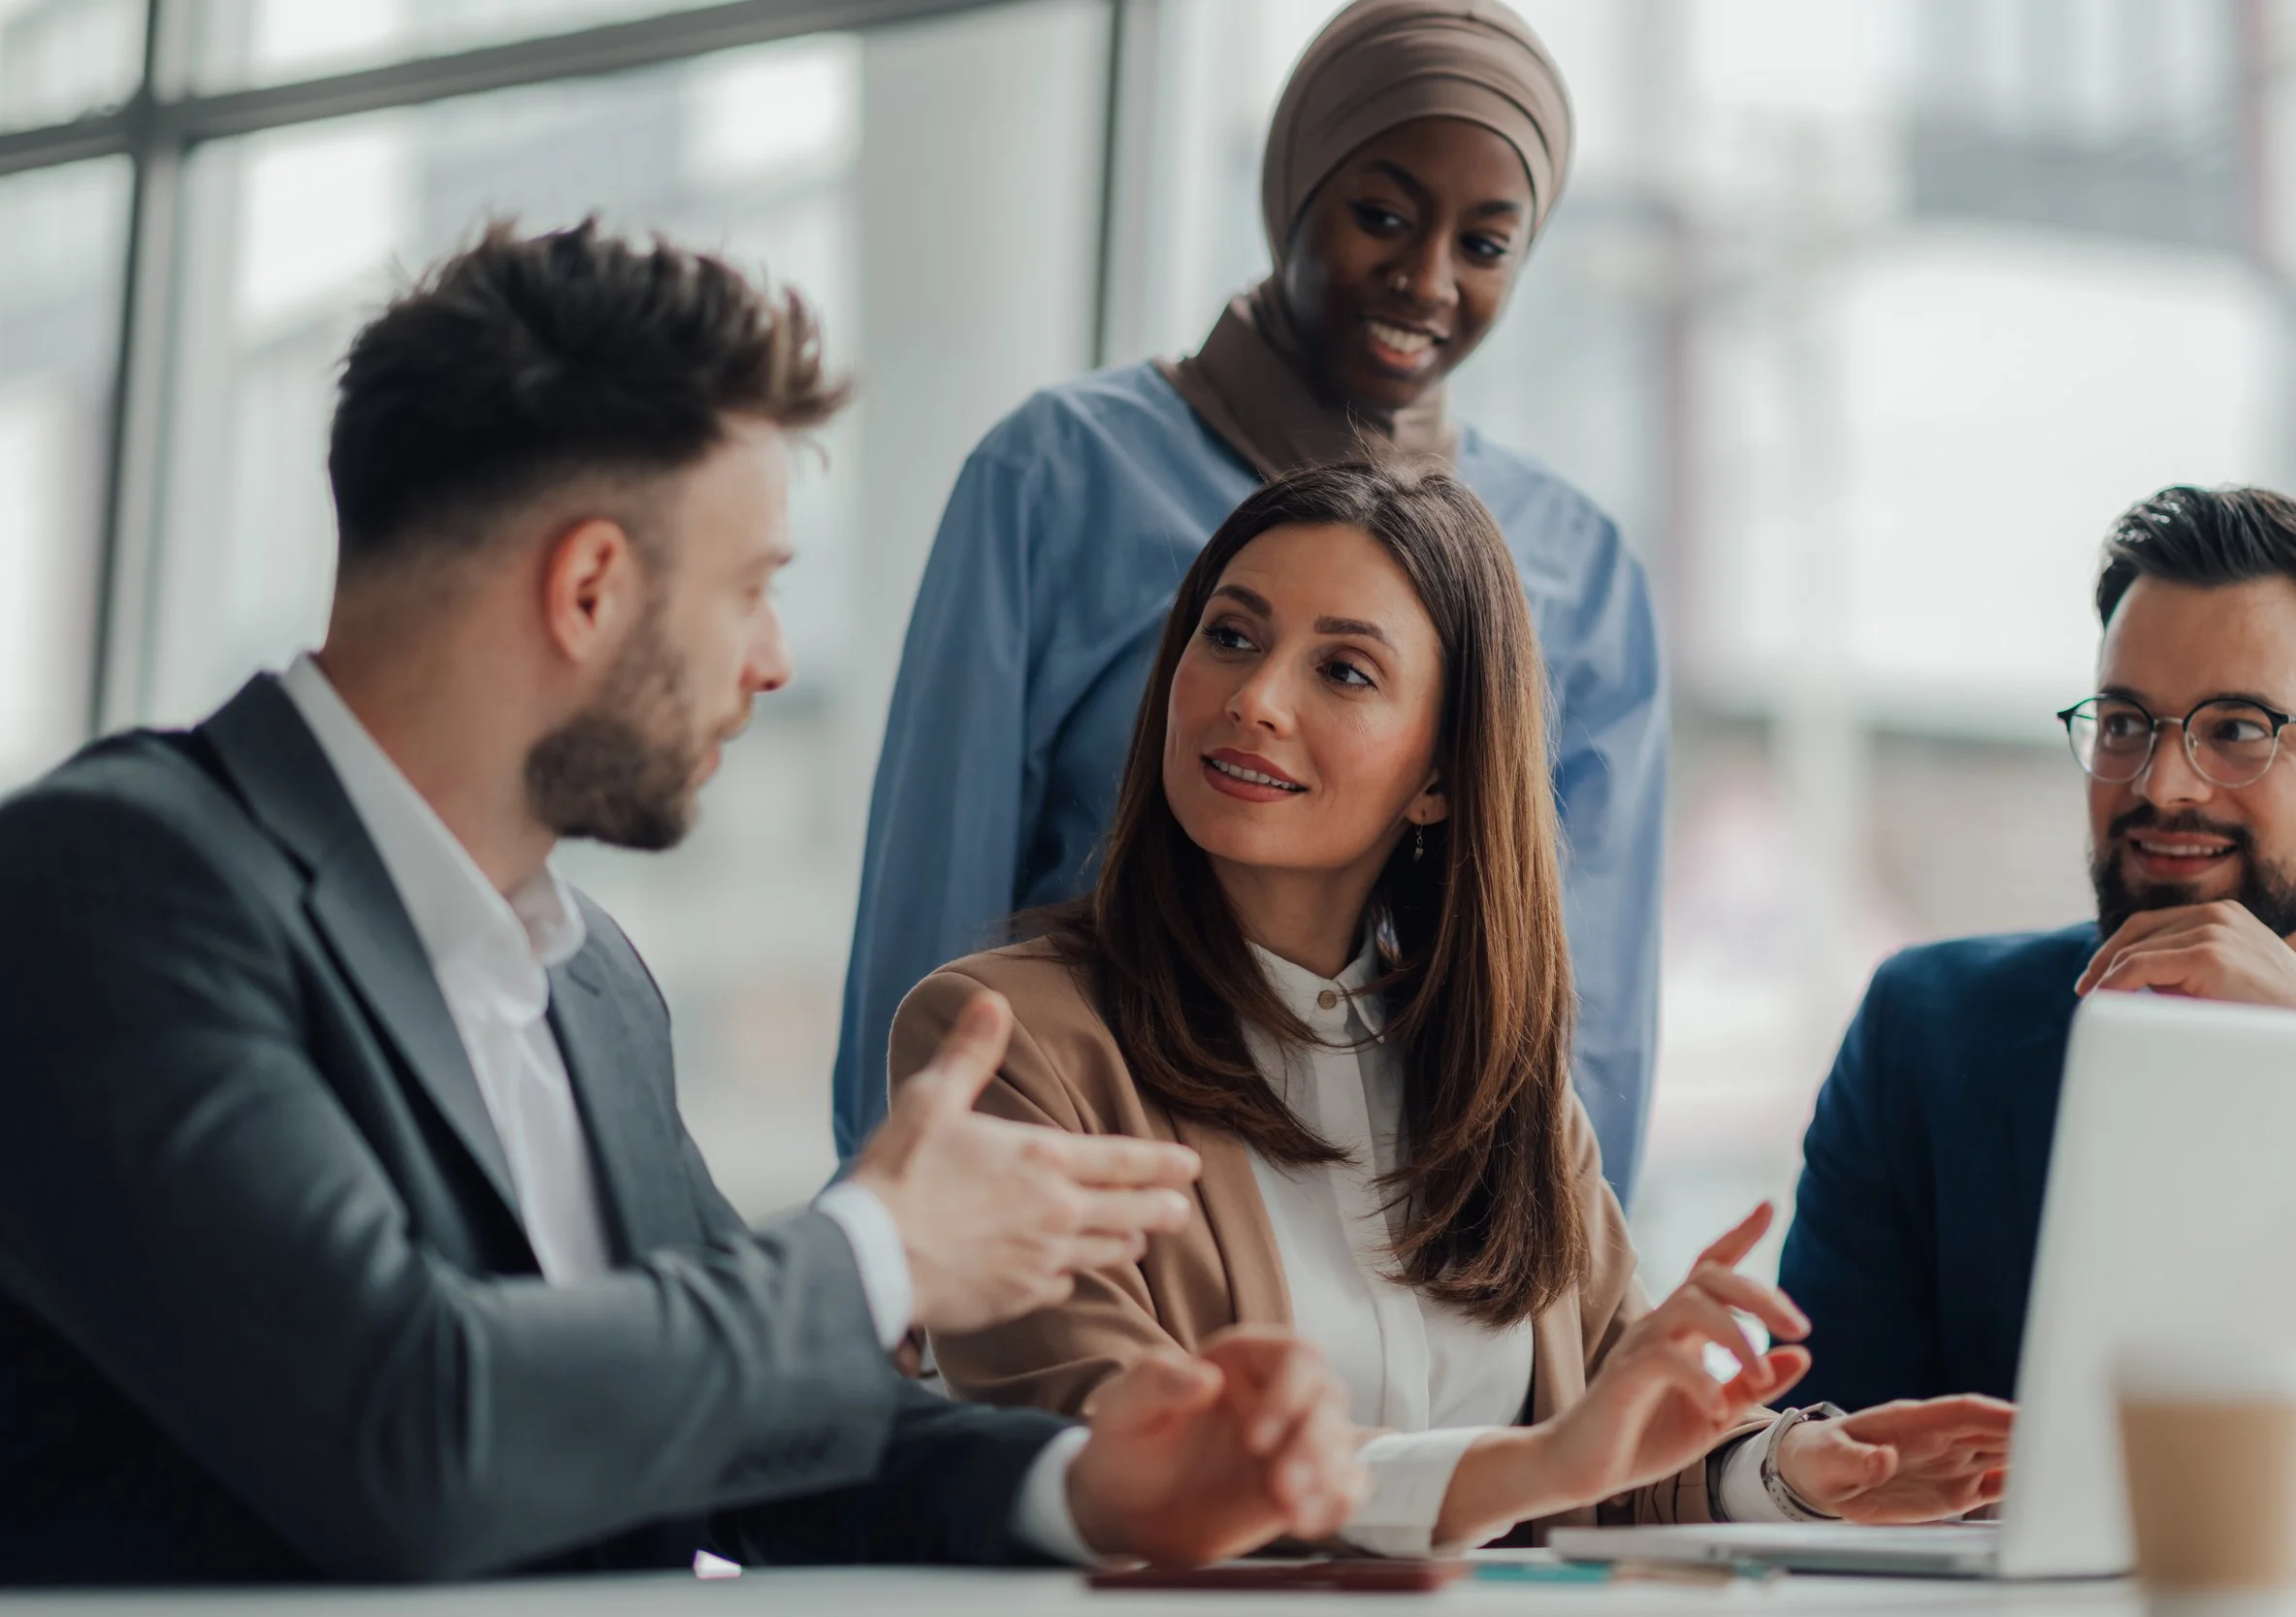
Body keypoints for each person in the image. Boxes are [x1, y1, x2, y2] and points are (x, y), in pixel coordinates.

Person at [0, 222, 1372, 1585]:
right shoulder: (110, 886)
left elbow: (739, 1418)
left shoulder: (591, 978)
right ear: (590, 586)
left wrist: (1083, 1482)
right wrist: (878, 1252)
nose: (776, 661)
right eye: (754, 588)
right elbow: (407, 1426)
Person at [890, 461, 2012, 1557]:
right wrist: (1532, 1467)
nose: (1254, 698)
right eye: (1230, 636)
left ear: (1438, 775)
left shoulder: (1499, 1086)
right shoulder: (1007, 1038)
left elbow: (1617, 1449)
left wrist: (1795, 1470)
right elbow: (1122, 1448)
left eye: (1342, 671)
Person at [834, 0, 1666, 1203]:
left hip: (1407, 1213)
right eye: (1380, 214)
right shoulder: (1061, 473)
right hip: (1091, 1162)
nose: (1425, 280)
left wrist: (1567, 1297)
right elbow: (936, 882)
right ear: (1291, 186)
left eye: (1485, 245)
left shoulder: (1575, 565)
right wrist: (898, 1229)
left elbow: (1586, 996)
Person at [1780, 485, 2296, 1413]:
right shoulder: (1928, 1035)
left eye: (2238, 731)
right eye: (2125, 724)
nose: (2162, 785)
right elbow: (1817, 1453)